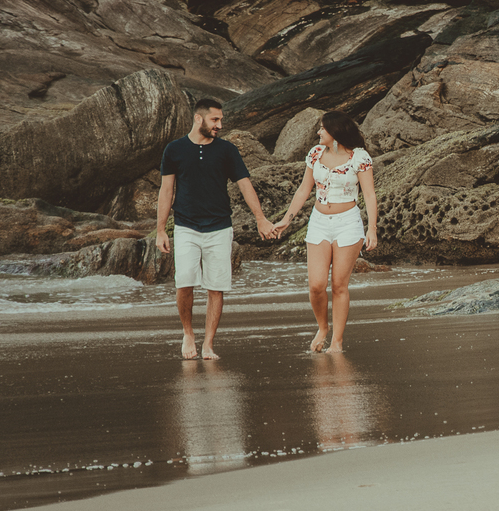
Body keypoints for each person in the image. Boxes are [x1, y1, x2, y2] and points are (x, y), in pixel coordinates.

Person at [156, 98, 277, 360]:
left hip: (220, 227)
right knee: (184, 282)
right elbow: (166, 191)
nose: (219, 125)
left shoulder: (227, 150)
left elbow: (245, 184)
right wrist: (161, 230)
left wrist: (261, 218)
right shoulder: (174, 149)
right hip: (186, 226)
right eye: (215, 120)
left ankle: (208, 344)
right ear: (198, 118)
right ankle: (188, 333)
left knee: (216, 287)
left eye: (220, 120)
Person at [272, 111, 378, 354]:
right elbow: (303, 189)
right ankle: (322, 327)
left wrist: (372, 229)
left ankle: (337, 342)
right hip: (319, 222)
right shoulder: (316, 153)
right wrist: (287, 219)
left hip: (348, 223)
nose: (319, 132)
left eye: (322, 128)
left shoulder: (359, 157)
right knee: (316, 285)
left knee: (339, 285)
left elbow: (369, 194)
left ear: (335, 132)